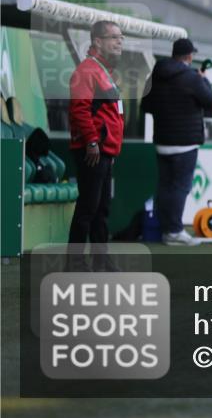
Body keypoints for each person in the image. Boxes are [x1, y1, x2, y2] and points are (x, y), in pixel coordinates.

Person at [141, 38, 212, 246]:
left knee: (165, 186)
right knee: (180, 187)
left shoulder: (156, 75)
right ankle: (174, 231)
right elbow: (211, 101)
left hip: (162, 140)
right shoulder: (192, 78)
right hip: (185, 142)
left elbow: (145, 105)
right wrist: (204, 80)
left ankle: (165, 229)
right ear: (189, 56)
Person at [67, 20, 125, 270]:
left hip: (105, 151)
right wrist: (92, 141)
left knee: (101, 209)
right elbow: (79, 110)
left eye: (120, 37)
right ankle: (76, 263)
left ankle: (101, 261)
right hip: (93, 151)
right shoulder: (87, 70)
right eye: (113, 37)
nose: (119, 42)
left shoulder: (102, 70)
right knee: (88, 209)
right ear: (97, 42)